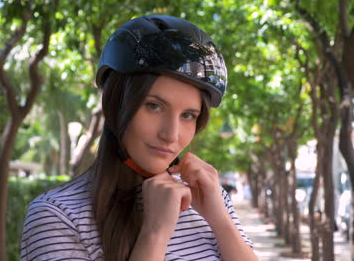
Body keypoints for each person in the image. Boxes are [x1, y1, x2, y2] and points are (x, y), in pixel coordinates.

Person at [20, 15, 257, 261]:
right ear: (116, 106)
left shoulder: (207, 199)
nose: (171, 134)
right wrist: (154, 234)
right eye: (154, 106)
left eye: (188, 115)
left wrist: (220, 220)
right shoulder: (57, 216)